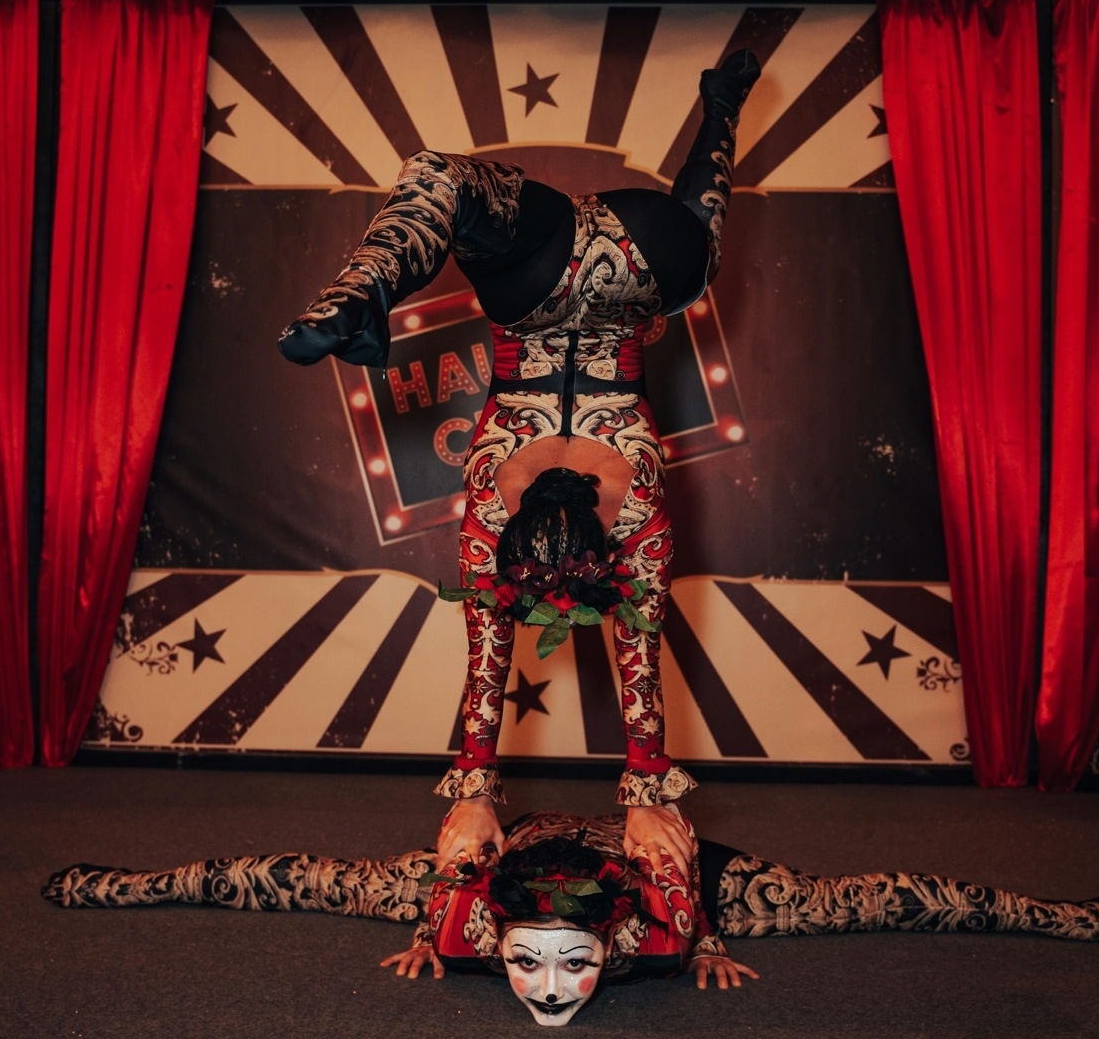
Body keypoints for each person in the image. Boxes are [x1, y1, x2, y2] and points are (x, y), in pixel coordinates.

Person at [278, 50, 764, 871]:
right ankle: (362, 292)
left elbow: (624, 661)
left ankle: (720, 108)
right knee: (444, 179)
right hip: (558, 273)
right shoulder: (501, 513)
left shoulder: (631, 516)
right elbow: (503, 659)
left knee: (700, 228)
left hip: (646, 263)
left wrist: (484, 792)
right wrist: (616, 794)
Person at [44, 808, 1099, 1028]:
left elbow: (676, 889)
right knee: (285, 877)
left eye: (565, 968)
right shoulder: (464, 921)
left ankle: (1091, 916)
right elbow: (272, 867)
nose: (540, 989)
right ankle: (105, 881)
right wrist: (439, 921)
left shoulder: (668, 923)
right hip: (515, 856)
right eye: (527, 965)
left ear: (620, 948)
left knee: (884, 907)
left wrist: (712, 934)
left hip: (669, 872)